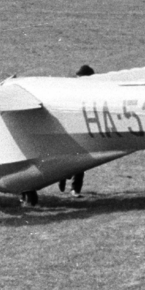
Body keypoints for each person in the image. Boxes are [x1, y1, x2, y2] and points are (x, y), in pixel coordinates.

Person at [56, 63, 96, 198]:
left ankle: (75, 189)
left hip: (83, 128)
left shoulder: (92, 91)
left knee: (81, 161)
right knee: (71, 157)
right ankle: (62, 177)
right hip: (70, 127)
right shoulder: (71, 89)